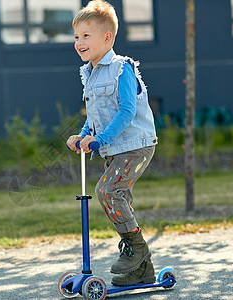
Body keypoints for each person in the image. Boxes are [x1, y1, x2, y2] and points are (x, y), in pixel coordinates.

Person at [66, 0, 159, 287]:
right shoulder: (90, 73)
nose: (79, 42)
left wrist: (101, 139)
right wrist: (83, 135)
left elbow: (126, 110)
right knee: (119, 200)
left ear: (107, 37)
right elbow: (95, 116)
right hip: (114, 147)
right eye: (76, 37)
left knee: (107, 191)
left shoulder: (121, 68)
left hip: (135, 144)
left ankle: (137, 247)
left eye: (85, 36)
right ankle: (142, 269)